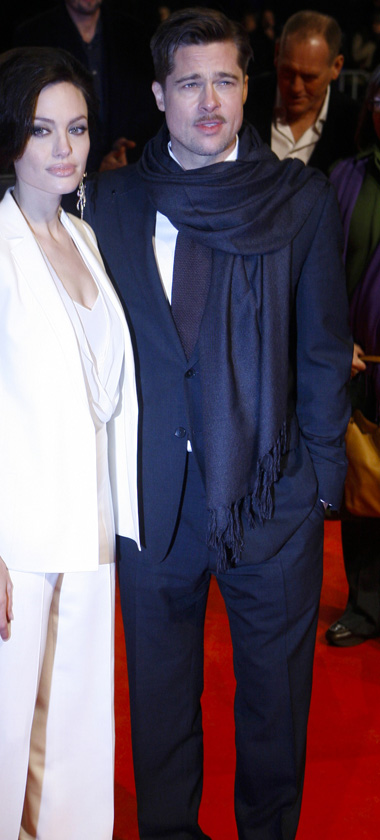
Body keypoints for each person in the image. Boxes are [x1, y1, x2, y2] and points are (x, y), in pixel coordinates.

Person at [84, 8, 352, 840]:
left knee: (275, 706)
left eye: (225, 81)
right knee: (161, 705)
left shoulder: (300, 201)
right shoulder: (111, 203)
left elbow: (323, 350)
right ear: (159, 93)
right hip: (154, 502)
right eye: (190, 83)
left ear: (245, 89)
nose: (209, 101)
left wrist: (319, 488)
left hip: (270, 495)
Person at [0, 46, 139, 840]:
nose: (64, 148)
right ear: (8, 137)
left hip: (90, 523)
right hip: (14, 535)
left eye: (77, 129)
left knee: (79, 723)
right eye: (43, 130)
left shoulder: (84, 239)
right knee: (4, 722)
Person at [326, 65, 380, 647]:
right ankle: (364, 606)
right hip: (364, 364)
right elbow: (326, 276)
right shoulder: (346, 177)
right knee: (364, 485)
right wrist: (337, 342)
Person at [15, 1, 161, 171]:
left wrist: (127, 149)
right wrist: (95, 162)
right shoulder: (33, 36)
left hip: (129, 167)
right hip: (59, 167)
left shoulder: (135, 32)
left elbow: (147, 105)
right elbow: (25, 115)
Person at [244, 10, 359, 173]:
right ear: (277, 53)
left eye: (309, 77)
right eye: (287, 72)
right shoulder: (244, 100)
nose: (296, 87)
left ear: (336, 66)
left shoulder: (353, 124)